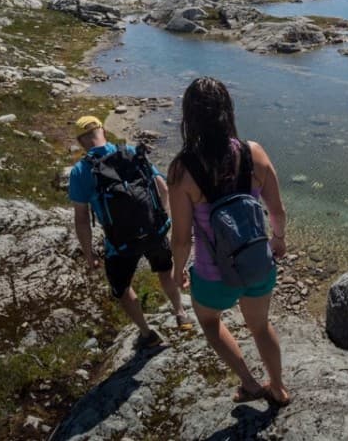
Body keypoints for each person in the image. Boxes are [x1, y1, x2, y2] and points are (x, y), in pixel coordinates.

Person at [167, 77, 291, 406]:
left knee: (209, 322)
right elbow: (277, 210)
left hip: (212, 274)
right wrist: (278, 240)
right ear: (227, 111)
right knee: (260, 326)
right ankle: (277, 388)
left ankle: (249, 383)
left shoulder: (182, 170)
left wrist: (178, 271)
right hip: (257, 263)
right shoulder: (254, 153)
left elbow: (181, 238)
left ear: (188, 118)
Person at [68, 114, 191, 345]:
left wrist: (89, 253)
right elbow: (163, 188)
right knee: (165, 271)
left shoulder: (81, 171)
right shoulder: (132, 152)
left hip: (120, 244)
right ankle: (181, 313)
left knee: (122, 288)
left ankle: (147, 333)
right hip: (154, 232)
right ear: (102, 130)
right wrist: (163, 221)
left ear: (80, 141)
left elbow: (82, 218)